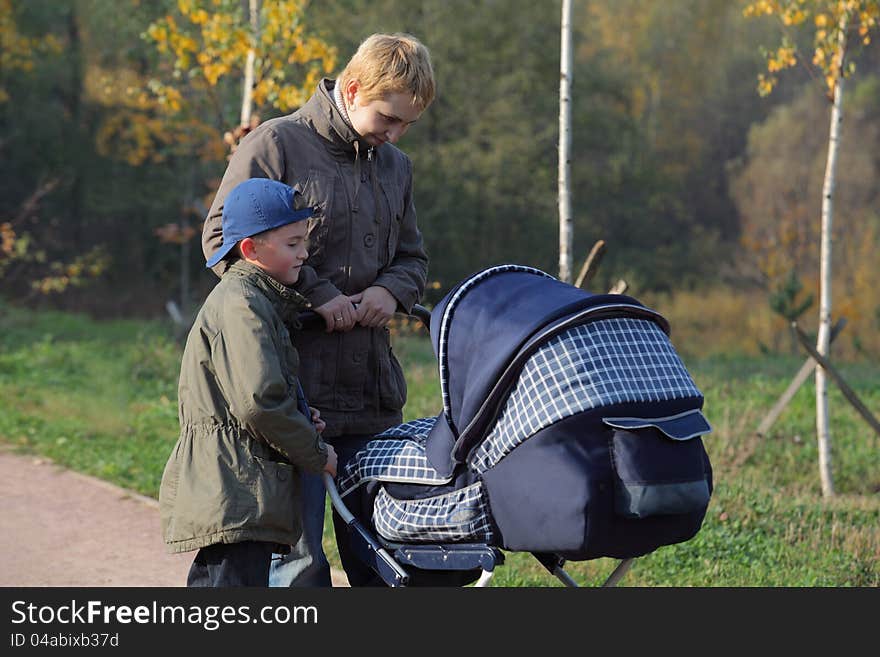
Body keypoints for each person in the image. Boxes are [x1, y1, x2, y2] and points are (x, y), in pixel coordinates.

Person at [202, 33, 435, 586]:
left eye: (406, 125)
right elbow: (222, 242)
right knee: (299, 565)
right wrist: (317, 293)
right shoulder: (275, 143)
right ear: (352, 90)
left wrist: (391, 292)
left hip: (371, 396)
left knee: (384, 560)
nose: (395, 134)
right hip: (292, 393)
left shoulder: (395, 166)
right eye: (388, 118)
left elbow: (412, 257)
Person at [160, 177, 338, 587]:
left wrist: (299, 414)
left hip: (240, 484)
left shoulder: (257, 301)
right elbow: (259, 403)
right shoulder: (243, 305)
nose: (304, 253)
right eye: (292, 244)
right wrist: (315, 452)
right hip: (236, 486)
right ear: (251, 250)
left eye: (303, 242)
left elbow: (257, 390)